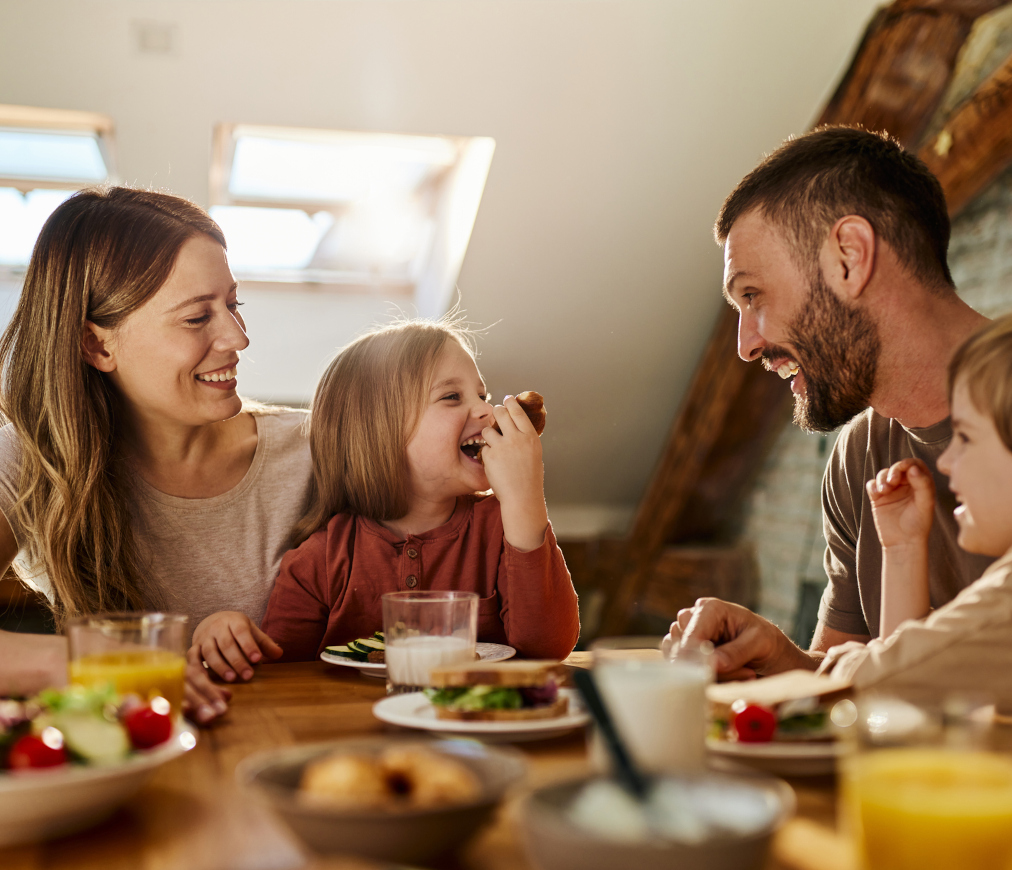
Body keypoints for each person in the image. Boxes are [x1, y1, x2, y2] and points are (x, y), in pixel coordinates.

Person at [665, 126, 994, 678]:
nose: (746, 346)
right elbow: (858, 684)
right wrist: (782, 659)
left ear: (849, 257)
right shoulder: (861, 455)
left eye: (753, 295)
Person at [0, 187, 312, 722]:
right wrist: (94, 659)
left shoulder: (313, 450)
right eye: (197, 318)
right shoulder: (32, 459)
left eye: (233, 305)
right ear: (97, 345)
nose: (238, 339)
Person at [816, 305, 1012, 755]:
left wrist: (840, 669)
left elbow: (889, 685)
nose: (946, 462)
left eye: (966, 438)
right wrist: (905, 549)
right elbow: (911, 700)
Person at [259, 318, 580, 662]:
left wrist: (523, 499)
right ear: (379, 431)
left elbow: (547, 647)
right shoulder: (321, 559)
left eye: (482, 395)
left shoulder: (504, 528)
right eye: (452, 396)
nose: (487, 409)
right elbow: (279, 674)